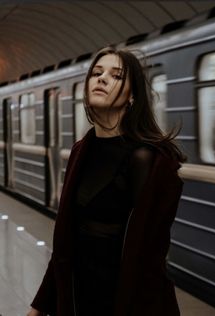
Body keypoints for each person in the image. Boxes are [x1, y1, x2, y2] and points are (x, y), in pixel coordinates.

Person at [27, 46, 185, 316]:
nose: (101, 79)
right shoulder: (81, 150)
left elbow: (149, 258)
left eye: (116, 75)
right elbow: (67, 242)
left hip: (124, 302)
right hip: (79, 298)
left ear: (132, 95)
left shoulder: (147, 159)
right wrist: (40, 305)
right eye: (97, 73)